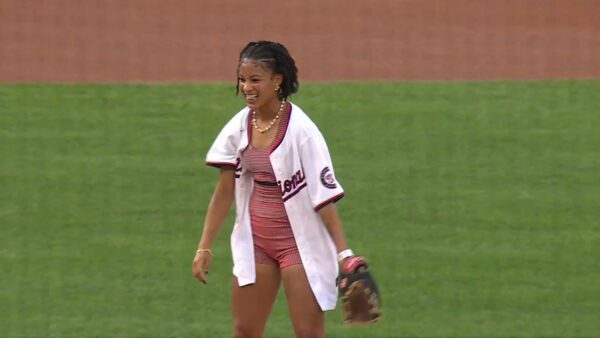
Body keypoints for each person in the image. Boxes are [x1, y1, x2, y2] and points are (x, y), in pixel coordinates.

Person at [192, 40, 363, 338]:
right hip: (257, 241)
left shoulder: (303, 132)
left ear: (277, 80)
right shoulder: (240, 126)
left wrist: (344, 253)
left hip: (298, 245)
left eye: (255, 79)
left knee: (308, 333)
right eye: (242, 80)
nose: (246, 87)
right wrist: (204, 244)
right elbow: (224, 191)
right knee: (245, 331)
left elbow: (324, 199)